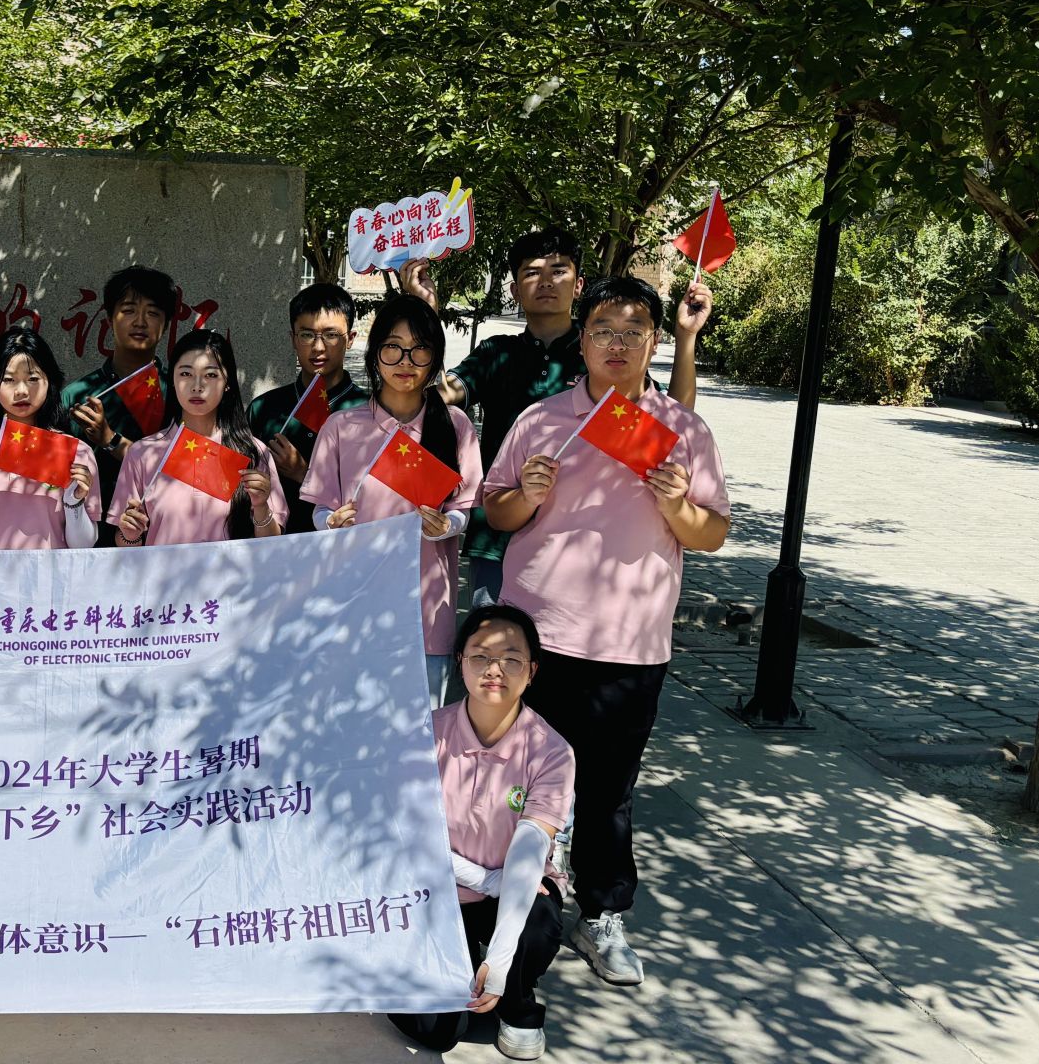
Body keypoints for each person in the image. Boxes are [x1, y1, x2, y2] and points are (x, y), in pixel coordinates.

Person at [480, 275, 729, 987]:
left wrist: (677, 508)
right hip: (539, 634)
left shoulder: (682, 431)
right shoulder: (542, 419)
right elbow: (495, 512)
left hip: (629, 641)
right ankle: (505, 898)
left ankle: (602, 912)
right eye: (603, 332)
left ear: (655, 340)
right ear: (582, 339)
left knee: (608, 789)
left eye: (633, 332)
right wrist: (526, 495)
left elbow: (712, 533)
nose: (617, 345)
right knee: (519, 778)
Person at [402, 230, 711, 604]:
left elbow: (672, 419)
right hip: (500, 537)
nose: (546, 281)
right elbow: (435, 401)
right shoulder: (496, 353)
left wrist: (686, 337)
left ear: (579, 284)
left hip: (583, 541)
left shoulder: (601, 352)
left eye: (559, 270)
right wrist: (426, 316)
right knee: (494, 638)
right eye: (532, 272)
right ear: (514, 290)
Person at [388, 604, 572, 1061]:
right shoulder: (425, 734)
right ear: (460, 662)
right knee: (436, 1032)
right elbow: (411, 838)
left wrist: (503, 955)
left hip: (513, 888)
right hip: (434, 888)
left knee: (538, 920)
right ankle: (460, 968)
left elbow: (531, 846)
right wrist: (486, 878)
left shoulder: (552, 751)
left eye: (511, 659)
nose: (495, 670)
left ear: (531, 670)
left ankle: (518, 1004)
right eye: (481, 657)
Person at [299, 294, 482, 700]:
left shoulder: (455, 425)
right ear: (374, 353)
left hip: (425, 612)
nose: (405, 361)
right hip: (351, 609)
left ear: (435, 358)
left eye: (419, 350)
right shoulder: (342, 426)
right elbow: (320, 508)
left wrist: (445, 525)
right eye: (393, 347)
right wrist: (330, 522)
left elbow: (463, 511)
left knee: (422, 727)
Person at [111, 329, 286, 546]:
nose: (197, 386)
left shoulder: (252, 451)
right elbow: (125, 545)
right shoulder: (143, 453)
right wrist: (130, 534)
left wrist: (261, 506)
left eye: (211, 375)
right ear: (172, 379)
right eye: (186, 374)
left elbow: (273, 546)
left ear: (227, 382)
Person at [0, 327, 99, 549]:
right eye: (9, 379)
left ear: (49, 381)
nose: (21, 390)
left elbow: (84, 546)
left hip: (50, 572)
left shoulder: (76, 454)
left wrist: (74, 503)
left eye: (32, 378)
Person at [58, 265, 177, 545]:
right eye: (129, 310)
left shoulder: (181, 394)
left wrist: (110, 441)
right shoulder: (77, 396)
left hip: (168, 541)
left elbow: (184, 475)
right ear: (110, 319)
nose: (140, 322)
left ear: (166, 325)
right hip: (94, 542)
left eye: (153, 313)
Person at [247, 283, 370, 535]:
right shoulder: (264, 409)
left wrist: (304, 474)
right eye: (306, 335)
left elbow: (378, 497)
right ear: (293, 339)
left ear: (350, 339)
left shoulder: (370, 411)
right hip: (276, 545)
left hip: (347, 546)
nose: (318, 347)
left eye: (331, 334)